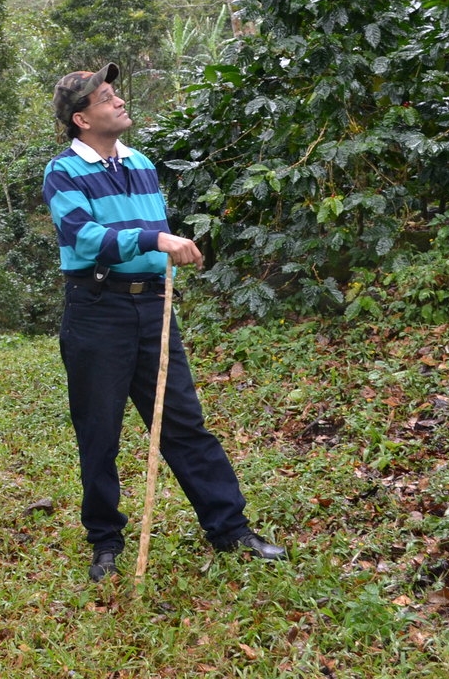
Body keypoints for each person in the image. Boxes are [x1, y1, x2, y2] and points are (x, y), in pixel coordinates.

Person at [42, 63, 285, 582]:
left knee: (181, 422)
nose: (118, 101)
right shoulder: (62, 171)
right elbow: (84, 237)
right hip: (97, 309)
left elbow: (150, 236)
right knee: (99, 431)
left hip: (153, 307)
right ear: (82, 119)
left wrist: (162, 249)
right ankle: (105, 542)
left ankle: (230, 528)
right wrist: (155, 241)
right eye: (105, 98)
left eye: (115, 93)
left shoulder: (142, 163)